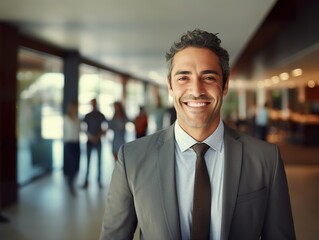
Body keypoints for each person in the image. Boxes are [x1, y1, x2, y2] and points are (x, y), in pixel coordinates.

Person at [99, 29, 295, 239]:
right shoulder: (133, 158)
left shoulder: (266, 159)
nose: (197, 90)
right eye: (183, 78)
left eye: (208, 77)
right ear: (170, 87)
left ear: (225, 85)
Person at [81, 98, 107, 189]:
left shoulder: (101, 115)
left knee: (99, 162)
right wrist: (90, 136)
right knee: (87, 161)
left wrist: (98, 136)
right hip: (89, 141)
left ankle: (99, 181)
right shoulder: (87, 115)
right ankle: (86, 181)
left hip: (98, 140)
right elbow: (83, 128)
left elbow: (105, 128)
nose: (93, 105)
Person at [63, 100, 81, 196]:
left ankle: (71, 182)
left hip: (77, 143)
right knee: (72, 164)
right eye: (74, 107)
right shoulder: (66, 118)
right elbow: (64, 132)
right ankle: (70, 184)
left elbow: (80, 131)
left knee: (77, 165)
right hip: (69, 143)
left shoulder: (78, 118)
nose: (75, 108)